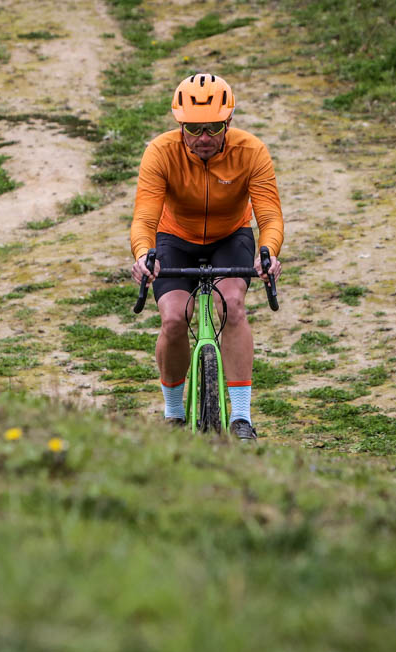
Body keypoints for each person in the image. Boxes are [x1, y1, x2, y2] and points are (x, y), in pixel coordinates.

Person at [129, 73, 284, 441]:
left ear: (228, 122)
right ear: (179, 125)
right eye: (192, 128)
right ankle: (173, 413)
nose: (203, 137)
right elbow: (145, 217)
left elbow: (270, 216)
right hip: (174, 238)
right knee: (173, 319)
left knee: (233, 305)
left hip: (230, 236)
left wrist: (268, 253)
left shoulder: (252, 151)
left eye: (213, 127)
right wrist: (144, 254)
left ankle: (241, 418)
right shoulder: (160, 152)